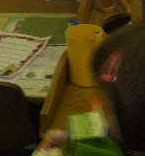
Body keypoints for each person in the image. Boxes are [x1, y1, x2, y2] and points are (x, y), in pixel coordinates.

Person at [37, 23, 145, 156]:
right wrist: (68, 135)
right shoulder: (123, 127)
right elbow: (100, 124)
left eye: (105, 105)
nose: (97, 105)